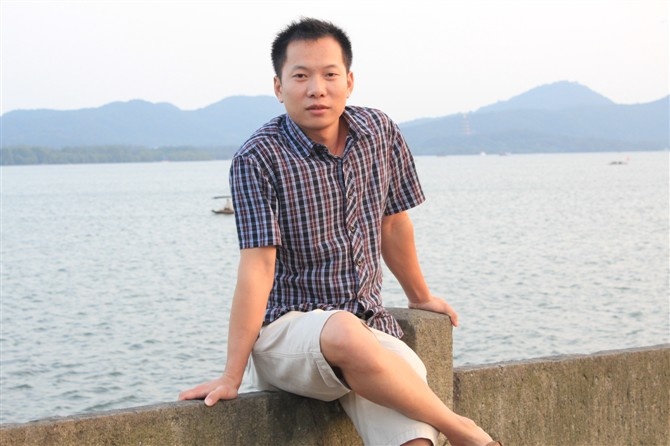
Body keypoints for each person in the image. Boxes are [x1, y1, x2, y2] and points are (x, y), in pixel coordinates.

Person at [179, 17, 501, 446]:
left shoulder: (379, 133)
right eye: (301, 76)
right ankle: (463, 429)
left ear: (349, 82)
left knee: (414, 438)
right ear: (278, 87)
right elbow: (257, 266)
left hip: (369, 332)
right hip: (285, 332)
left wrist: (420, 296)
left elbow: (393, 223)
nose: (317, 89)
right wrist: (231, 375)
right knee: (345, 331)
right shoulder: (258, 158)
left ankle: (444, 429)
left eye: (330, 75)